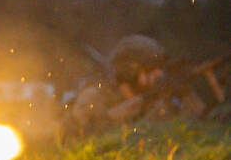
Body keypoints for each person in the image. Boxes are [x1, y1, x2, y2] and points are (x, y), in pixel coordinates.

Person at [65, 35, 206, 135]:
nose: (159, 74)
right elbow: (80, 137)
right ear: (129, 71)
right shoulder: (94, 98)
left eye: (160, 68)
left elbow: (201, 126)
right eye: (151, 68)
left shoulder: (159, 98)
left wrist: (186, 94)